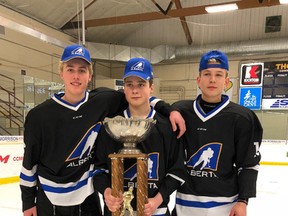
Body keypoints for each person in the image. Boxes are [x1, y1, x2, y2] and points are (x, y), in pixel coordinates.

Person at [19, 45, 185, 216]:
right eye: (70, 69)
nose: (76, 76)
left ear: (90, 75)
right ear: (61, 72)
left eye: (82, 70)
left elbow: (138, 96)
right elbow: (30, 161)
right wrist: (28, 201)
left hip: (87, 196)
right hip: (49, 195)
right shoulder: (38, 115)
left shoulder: (103, 102)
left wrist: (169, 109)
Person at [171, 50, 263, 216]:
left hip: (225, 206)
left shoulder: (242, 117)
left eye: (218, 75)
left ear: (226, 81)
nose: (212, 79)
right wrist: (169, 109)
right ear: (198, 80)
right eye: (207, 74)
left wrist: (243, 201)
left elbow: (248, 164)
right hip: (185, 204)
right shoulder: (181, 111)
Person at [93, 57, 186, 216]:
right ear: (124, 88)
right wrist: (107, 193)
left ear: (151, 87)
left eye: (141, 84)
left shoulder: (166, 126)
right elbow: (99, 169)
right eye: (130, 84)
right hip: (118, 212)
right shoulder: (111, 125)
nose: (135, 90)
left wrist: (157, 200)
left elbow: (176, 171)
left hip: (156, 211)